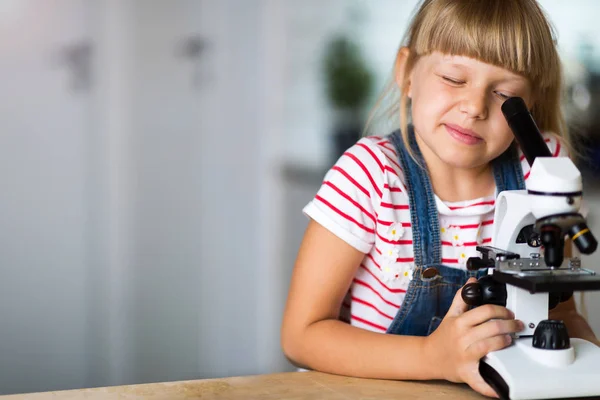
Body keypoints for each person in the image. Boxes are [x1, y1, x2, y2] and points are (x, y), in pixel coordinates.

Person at [281, 0, 600, 398]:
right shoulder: (370, 176)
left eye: (503, 93)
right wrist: (434, 356)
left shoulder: (544, 167)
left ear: (529, 105)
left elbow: (562, 311)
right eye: (453, 78)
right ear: (407, 72)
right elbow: (301, 335)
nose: (474, 107)